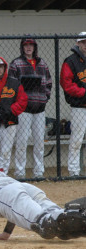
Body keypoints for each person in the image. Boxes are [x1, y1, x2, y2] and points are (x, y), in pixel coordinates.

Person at [9, 37, 52, 179]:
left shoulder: (42, 64)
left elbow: (48, 83)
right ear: (22, 47)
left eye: (31, 45)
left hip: (39, 109)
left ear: (35, 47)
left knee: (39, 142)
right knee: (22, 142)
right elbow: (12, 86)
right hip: (23, 110)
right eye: (26, 45)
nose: (28, 48)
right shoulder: (16, 64)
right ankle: (20, 172)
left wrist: (45, 98)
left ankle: (39, 173)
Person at [60, 32, 86, 177]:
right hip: (79, 107)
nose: (85, 45)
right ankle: (74, 171)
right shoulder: (70, 61)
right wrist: (83, 92)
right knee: (76, 139)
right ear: (77, 43)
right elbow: (66, 83)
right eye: (83, 42)